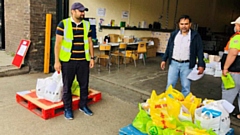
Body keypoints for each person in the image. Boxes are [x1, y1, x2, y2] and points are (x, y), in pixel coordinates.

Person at [54, 2, 95, 120]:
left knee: (84, 85)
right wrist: (57, 61)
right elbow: (58, 44)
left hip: (83, 61)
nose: (83, 13)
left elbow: (90, 42)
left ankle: (83, 105)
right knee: (67, 86)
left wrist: (92, 58)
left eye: (84, 11)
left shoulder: (87, 25)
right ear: (73, 11)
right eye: (80, 11)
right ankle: (68, 108)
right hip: (68, 61)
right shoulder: (63, 24)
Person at [160, 15, 205, 97]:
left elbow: (200, 51)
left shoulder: (195, 36)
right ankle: (168, 103)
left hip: (187, 65)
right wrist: (164, 59)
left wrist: (201, 64)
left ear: (190, 24)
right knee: (170, 85)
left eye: (186, 24)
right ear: (178, 24)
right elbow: (169, 47)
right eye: (182, 24)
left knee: (186, 86)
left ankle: (185, 106)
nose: (184, 26)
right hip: (174, 63)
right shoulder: (174, 34)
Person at [221, 16, 240, 120]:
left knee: (229, 93)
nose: (235, 27)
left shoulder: (237, 37)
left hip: (235, 72)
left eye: (236, 25)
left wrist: (225, 68)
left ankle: (224, 116)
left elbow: (233, 53)